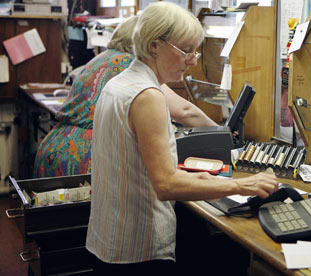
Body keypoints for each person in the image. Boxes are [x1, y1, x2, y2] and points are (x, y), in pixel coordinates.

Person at [85, 2, 279, 275]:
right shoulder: (148, 96)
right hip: (137, 252)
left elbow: (140, 168)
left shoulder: (120, 84)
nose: (193, 60)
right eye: (186, 50)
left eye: (196, 51)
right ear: (154, 45)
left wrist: (200, 179)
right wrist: (242, 186)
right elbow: (165, 185)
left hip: (108, 241)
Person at [33, 16, 217, 178]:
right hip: (81, 156)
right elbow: (184, 111)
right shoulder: (129, 64)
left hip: (56, 147)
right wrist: (221, 133)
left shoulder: (104, 57)